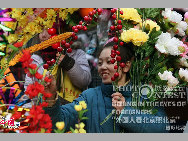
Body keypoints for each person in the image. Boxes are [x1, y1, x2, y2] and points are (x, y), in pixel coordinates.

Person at [43, 41, 169, 133]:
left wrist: (126, 113)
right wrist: (50, 99)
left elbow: (162, 129)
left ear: (126, 66)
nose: (103, 67)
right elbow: (58, 123)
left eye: (109, 62)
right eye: (100, 63)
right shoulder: (89, 97)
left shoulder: (143, 95)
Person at [22, 29, 92, 107]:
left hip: (74, 113)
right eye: (40, 30)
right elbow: (29, 96)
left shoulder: (77, 54)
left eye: (49, 30)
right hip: (46, 115)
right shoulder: (35, 60)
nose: (43, 35)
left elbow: (84, 81)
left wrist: (68, 63)